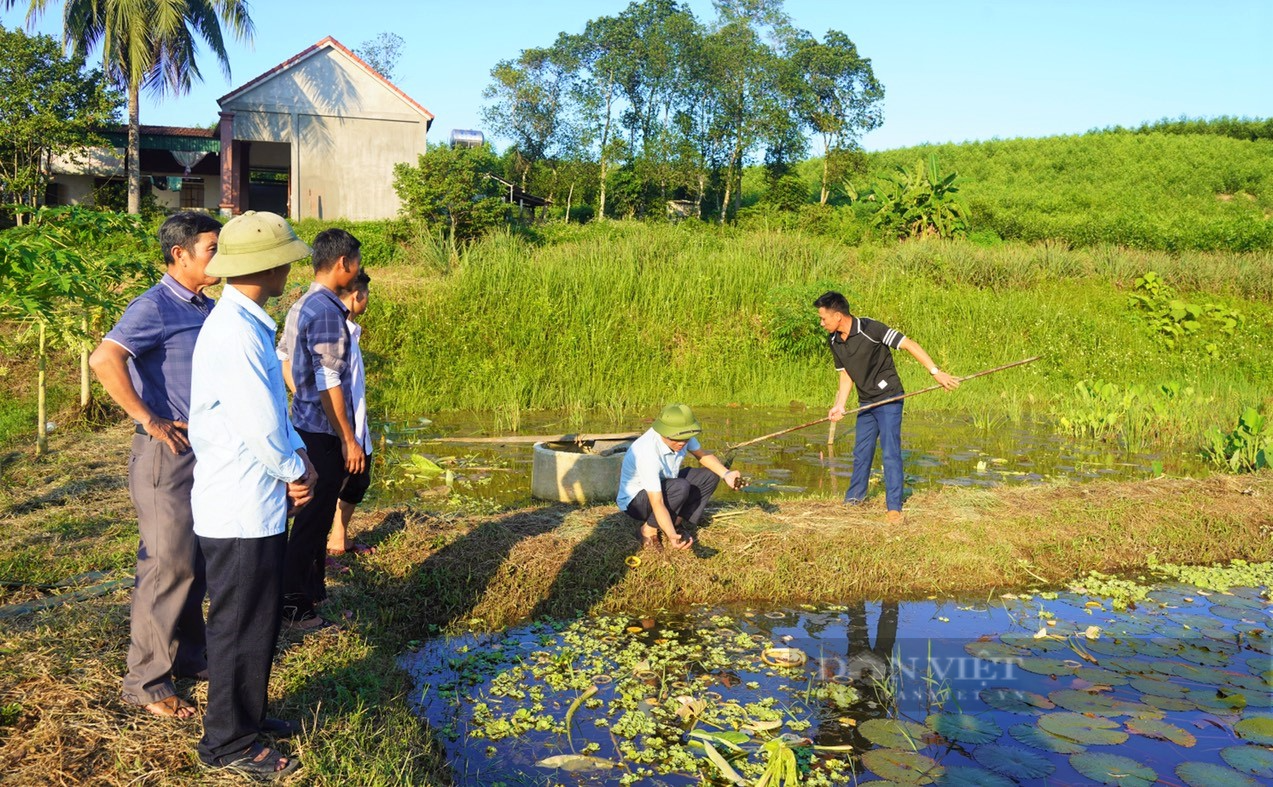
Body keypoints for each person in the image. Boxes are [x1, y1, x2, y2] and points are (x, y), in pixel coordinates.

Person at [188, 210, 316, 780]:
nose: (290, 266)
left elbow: (273, 415)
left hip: (254, 502)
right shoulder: (235, 332)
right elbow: (260, 425)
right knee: (239, 626)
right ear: (266, 267)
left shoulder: (247, 322)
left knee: (257, 622)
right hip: (239, 505)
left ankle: (249, 717)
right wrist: (294, 467)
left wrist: (297, 457)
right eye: (285, 258)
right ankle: (228, 742)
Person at [89, 211, 222, 720]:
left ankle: (189, 655)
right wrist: (149, 419)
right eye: (212, 247)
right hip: (166, 455)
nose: (219, 256)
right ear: (179, 255)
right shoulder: (155, 305)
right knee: (166, 564)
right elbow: (105, 359)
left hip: (202, 451)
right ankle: (146, 681)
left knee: (196, 561)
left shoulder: (205, 308)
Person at [276, 228, 362, 629]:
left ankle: (308, 596)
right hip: (323, 434)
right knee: (312, 522)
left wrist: (302, 398)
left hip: (303, 425)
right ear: (343, 263)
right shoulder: (327, 310)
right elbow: (330, 379)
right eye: (357, 262)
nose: (358, 270)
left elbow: (286, 363)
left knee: (311, 516)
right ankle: (293, 605)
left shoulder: (302, 304)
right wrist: (348, 438)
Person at [813, 291, 959, 523]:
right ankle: (854, 501)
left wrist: (936, 372)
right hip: (866, 402)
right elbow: (846, 375)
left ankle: (894, 508)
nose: (821, 323)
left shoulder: (871, 329)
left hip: (889, 397)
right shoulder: (834, 341)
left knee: (890, 452)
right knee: (861, 452)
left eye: (823, 318)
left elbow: (909, 344)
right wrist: (839, 405)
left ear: (838, 316)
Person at [616, 403, 742, 550]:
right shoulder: (647, 452)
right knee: (680, 487)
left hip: (667, 485)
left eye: (686, 438)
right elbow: (657, 502)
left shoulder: (682, 436)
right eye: (677, 439)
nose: (682, 443)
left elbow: (702, 455)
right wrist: (670, 535)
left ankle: (676, 521)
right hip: (636, 501)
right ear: (663, 432)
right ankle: (648, 529)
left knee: (710, 475)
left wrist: (726, 474)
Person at [327, 270, 374, 565]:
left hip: (355, 425)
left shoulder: (350, 331)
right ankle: (324, 549)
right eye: (367, 295)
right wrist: (347, 437)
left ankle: (338, 539)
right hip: (342, 427)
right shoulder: (338, 331)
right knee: (336, 484)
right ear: (357, 296)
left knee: (356, 481)